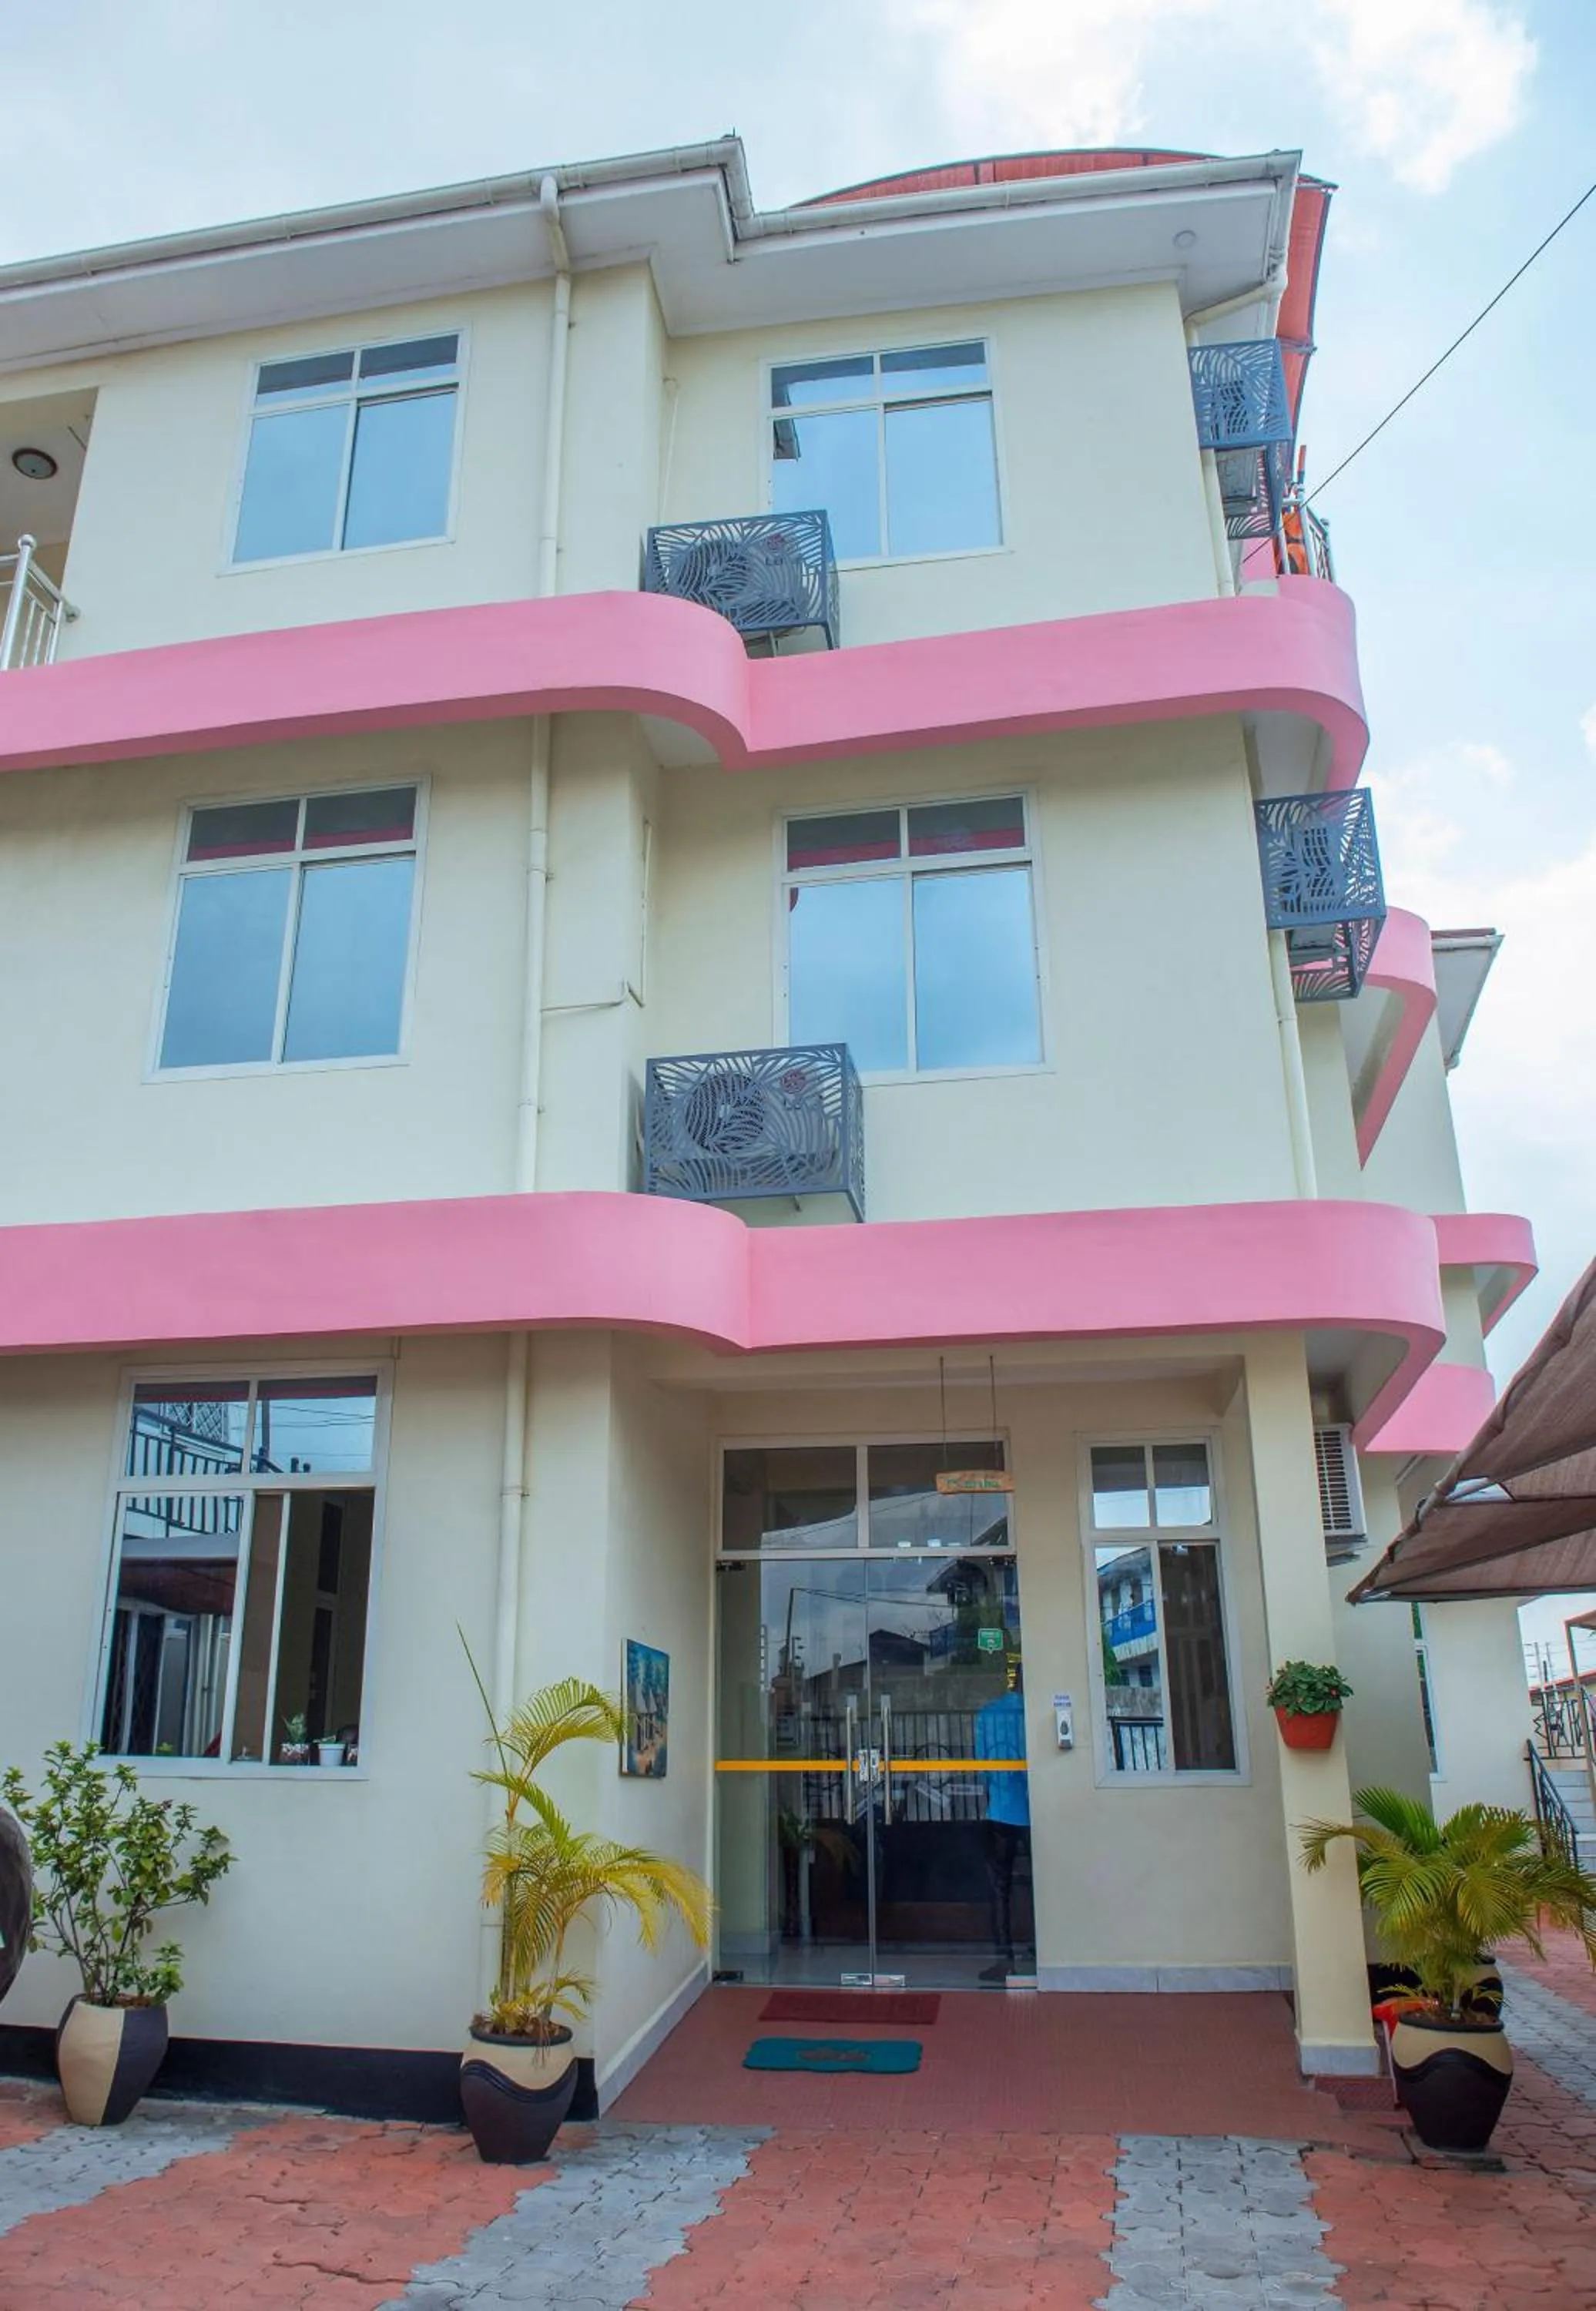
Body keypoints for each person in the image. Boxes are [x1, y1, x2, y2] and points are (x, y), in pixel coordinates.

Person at [973, 1659, 1031, 1979]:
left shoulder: (988, 1715)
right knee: (1043, 1884)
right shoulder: (1034, 1714)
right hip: (1036, 1812)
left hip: (1000, 1811)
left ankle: (1004, 1958)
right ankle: (1042, 1949)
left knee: (999, 1887)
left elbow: (981, 1768)